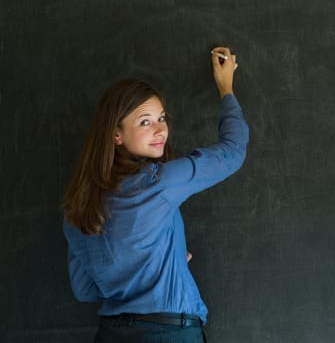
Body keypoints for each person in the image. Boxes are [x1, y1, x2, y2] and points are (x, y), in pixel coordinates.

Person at [62, 47, 248, 343]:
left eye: (161, 118)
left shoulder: (77, 208)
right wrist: (226, 87)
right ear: (116, 134)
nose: (160, 129)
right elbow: (233, 152)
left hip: (110, 334)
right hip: (168, 333)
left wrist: (155, 264)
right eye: (145, 121)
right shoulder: (158, 183)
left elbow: (85, 290)